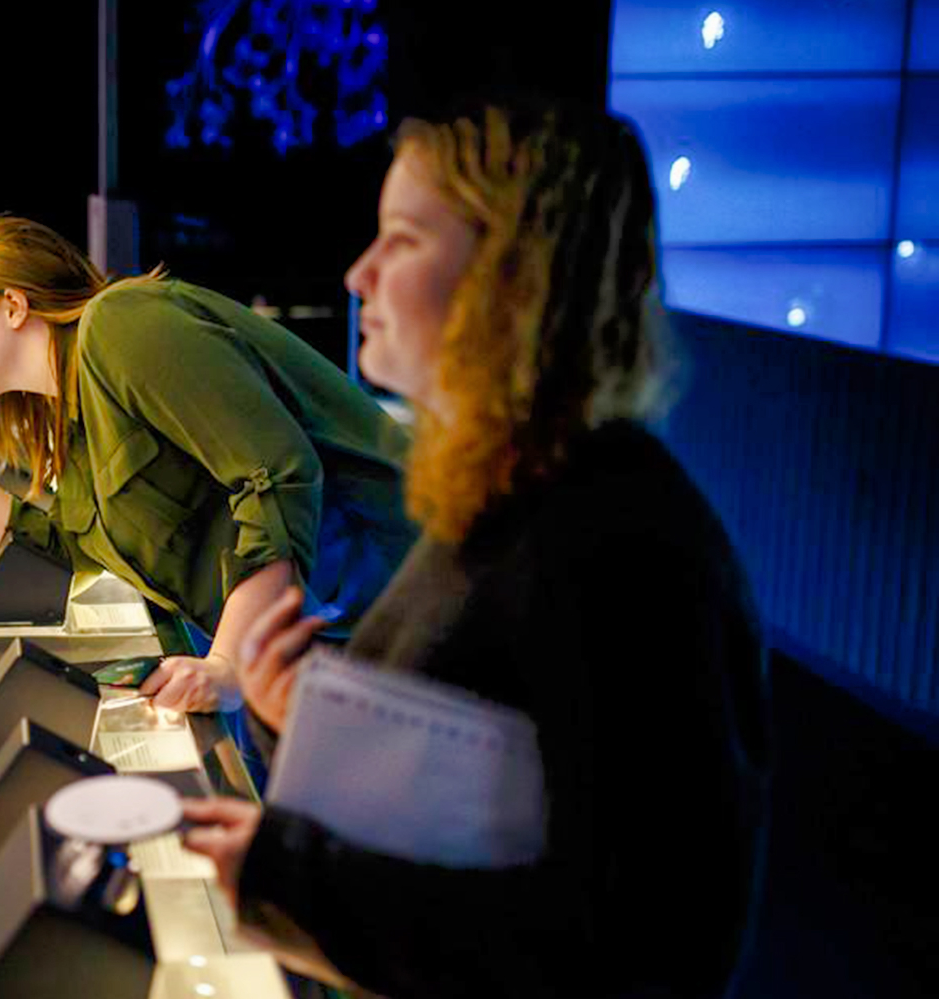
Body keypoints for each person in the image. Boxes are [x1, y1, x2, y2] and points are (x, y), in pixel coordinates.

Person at [182, 99, 773, 998]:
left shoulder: (621, 546)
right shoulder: (507, 485)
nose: (357, 274)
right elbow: (488, 784)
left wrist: (289, 879)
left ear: (516, 279)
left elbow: (635, 944)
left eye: (404, 241)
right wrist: (307, 722)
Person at [0, 215, 417, 834]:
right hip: (337, 659)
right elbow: (54, 556)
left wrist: (226, 665)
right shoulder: (75, 422)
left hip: (406, 614)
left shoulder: (123, 324)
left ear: (13, 305)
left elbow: (272, 473)